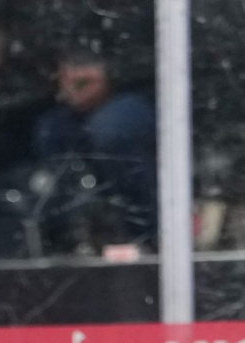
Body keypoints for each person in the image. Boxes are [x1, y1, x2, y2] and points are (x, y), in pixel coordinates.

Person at [32, 42, 155, 251]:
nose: (71, 86)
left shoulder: (122, 119)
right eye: (65, 78)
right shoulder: (53, 128)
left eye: (82, 80)